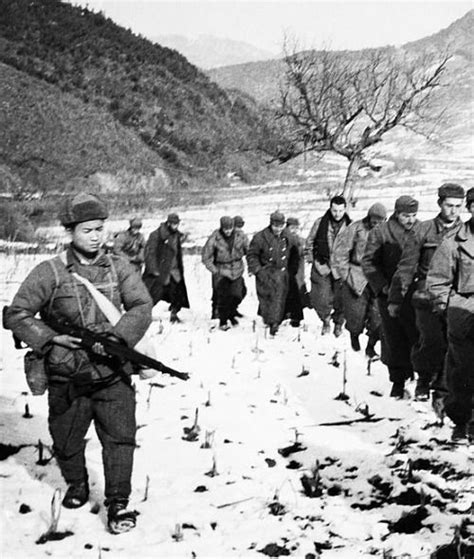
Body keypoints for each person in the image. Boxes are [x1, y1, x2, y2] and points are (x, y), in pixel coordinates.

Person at [3, 193, 152, 534]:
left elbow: (141, 305)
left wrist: (120, 338)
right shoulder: (50, 272)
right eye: (87, 230)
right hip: (67, 375)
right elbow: (16, 314)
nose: (96, 236)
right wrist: (51, 338)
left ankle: (117, 502)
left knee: (120, 438)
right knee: (66, 441)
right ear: (70, 231)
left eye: (100, 228)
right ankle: (77, 485)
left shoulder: (120, 268)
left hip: (112, 373)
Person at [389, 184, 465, 402]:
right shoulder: (423, 230)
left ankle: (441, 388)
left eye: (458, 206)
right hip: (426, 294)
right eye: (449, 205)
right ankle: (424, 377)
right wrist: (396, 298)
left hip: (456, 295)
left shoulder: (465, 233)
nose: (453, 211)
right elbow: (406, 267)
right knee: (431, 340)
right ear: (440, 204)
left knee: (453, 342)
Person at [426, 188, 474, 442]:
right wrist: (447, 308)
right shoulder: (453, 241)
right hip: (462, 310)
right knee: (461, 369)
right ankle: (461, 420)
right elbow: (437, 280)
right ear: (470, 208)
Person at [362, 195, 421, 398]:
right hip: (388, 295)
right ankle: (397, 381)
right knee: (393, 338)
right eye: (406, 216)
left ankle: (417, 376)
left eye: (414, 215)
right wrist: (382, 286)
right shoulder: (381, 232)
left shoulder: (422, 230)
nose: (410, 220)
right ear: (396, 213)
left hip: (415, 295)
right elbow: (369, 263)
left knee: (417, 335)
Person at [333, 203, 387, 358]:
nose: (376, 224)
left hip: (379, 278)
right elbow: (341, 253)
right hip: (357, 275)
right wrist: (346, 275)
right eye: (374, 221)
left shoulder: (388, 231)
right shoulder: (355, 228)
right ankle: (354, 335)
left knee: (378, 315)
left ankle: (371, 345)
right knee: (355, 313)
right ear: (368, 218)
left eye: (380, 221)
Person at [247, 211, 300, 336]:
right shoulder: (260, 237)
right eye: (276, 226)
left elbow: (294, 253)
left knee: (279, 299)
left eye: (281, 226)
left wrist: (292, 270)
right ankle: (269, 320)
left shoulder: (288, 236)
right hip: (266, 272)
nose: (278, 229)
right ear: (271, 224)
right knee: (266, 299)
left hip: (282, 273)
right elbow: (252, 255)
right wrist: (258, 270)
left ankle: (274, 323)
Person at [305, 195, 351, 336]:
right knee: (320, 298)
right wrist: (312, 259)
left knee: (342, 299)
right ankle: (325, 320)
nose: (337, 214)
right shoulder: (320, 223)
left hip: (341, 269)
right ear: (330, 208)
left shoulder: (351, 226)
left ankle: (338, 323)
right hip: (322, 266)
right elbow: (309, 243)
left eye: (340, 211)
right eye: (334, 210)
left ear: (345, 210)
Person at [202, 216, 249, 330]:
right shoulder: (214, 238)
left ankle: (231, 312)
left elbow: (249, 250)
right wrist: (215, 271)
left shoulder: (240, 236)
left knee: (239, 293)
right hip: (222, 271)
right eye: (225, 229)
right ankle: (223, 321)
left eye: (230, 228)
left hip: (237, 270)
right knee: (223, 297)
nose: (228, 231)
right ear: (221, 227)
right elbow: (206, 258)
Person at [142, 213, 190, 323]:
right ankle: (143, 314)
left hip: (174, 270)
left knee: (177, 294)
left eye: (177, 224)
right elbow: (150, 253)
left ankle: (174, 314)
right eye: (173, 224)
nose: (175, 226)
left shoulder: (176, 235)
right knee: (154, 294)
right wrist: (153, 269)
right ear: (168, 223)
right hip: (161, 270)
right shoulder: (156, 235)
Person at [284, 217, 309, 327]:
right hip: (287, 271)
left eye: (296, 228)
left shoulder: (300, 240)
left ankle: (295, 315)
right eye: (292, 228)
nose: (294, 230)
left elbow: (307, 250)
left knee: (298, 292)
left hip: (299, 271)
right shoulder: (283, 239)